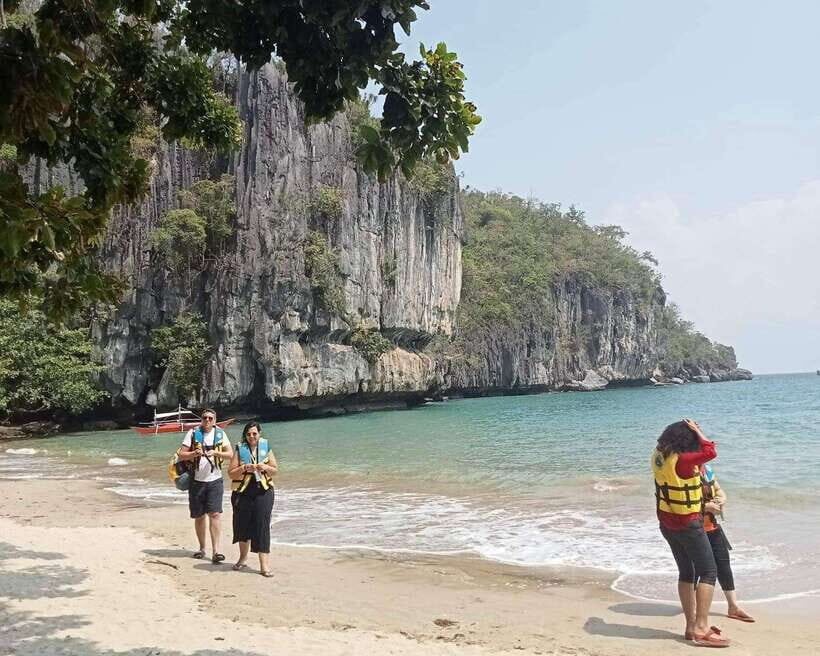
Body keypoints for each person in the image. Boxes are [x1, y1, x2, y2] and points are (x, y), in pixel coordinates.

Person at [652, 419, 730, 648]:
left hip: (667, 524)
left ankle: (690, 626)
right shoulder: (685, 461)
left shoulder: (659, 456)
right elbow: (710, 451)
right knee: (708, 571)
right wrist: (698, 431)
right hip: (688, 525)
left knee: (687, 572)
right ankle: (701, 627)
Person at [177, 408, 233, 563]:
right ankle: (202, 548)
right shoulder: (193, 433)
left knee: (215, 514)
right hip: (196, 481)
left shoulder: (220, 434)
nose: (207, 421)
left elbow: (230, 455)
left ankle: (216, 551)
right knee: (199, 516)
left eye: (210, 418)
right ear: (201, 419)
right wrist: (194, 454)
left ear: (214, 420)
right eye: (204, 418)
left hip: (215, 480)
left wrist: (216, 453)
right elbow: (181, 454)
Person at [700, 464, 755, 623]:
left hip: (712, 527)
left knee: (724, 565)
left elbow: (719, 490)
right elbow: (680, 505)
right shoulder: (684, 469)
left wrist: (721, 499)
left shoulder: (706, 470)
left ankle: (733, 606)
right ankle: (693, 606)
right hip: (694, 530)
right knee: (697, 569)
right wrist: (706, 507)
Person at [228, 421, 278, 577]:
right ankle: (242, 559)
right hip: (242, 492)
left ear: (259, 434)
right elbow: (231, 473)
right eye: (248, 434)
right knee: (242, 525)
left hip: (263, 491)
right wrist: (244, 468)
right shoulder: (240, 448)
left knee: (262, 526)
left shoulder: (265, 446)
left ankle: (264, 565)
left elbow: (275, 470)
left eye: (254, 433)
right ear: (245, 435)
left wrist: (264, 467)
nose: (251, 437)